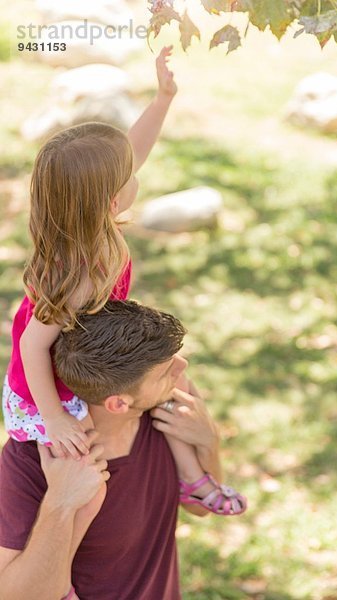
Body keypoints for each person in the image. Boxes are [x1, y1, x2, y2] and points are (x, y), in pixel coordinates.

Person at [1, 46, 246, 513]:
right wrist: (56, 418)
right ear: (112, 203)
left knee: (170, 381)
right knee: (80, 466)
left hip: (93, 356)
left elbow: (134, 149)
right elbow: (33, 347)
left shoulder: (93, 221)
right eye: (128, 175)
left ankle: (192, 480)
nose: (137, 171)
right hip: (54, 388)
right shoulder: (76, 276)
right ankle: (60, 565)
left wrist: (162, 99)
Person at [0, 300, 245, 599]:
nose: (183, 367)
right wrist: (61, 503)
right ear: (119, 403)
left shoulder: (165, 417)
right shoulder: (29, 462)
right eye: (166, 370)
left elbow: (198, 507)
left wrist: (208, 441)